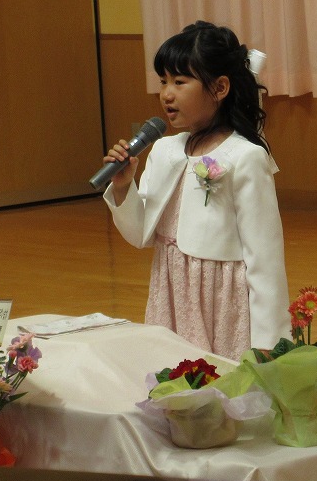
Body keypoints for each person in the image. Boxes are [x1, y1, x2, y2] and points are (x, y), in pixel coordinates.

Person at [102, 21, 290, 358]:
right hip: (171, 293)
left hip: (221, 302)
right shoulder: (164, 150)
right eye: (163, 81)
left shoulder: (245, 156)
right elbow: (140, 234)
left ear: (219, 88)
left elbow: (265, 257)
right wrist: (123, 186)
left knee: (221, 380)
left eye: (180, 81)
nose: (166, 93)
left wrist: (269, 342)